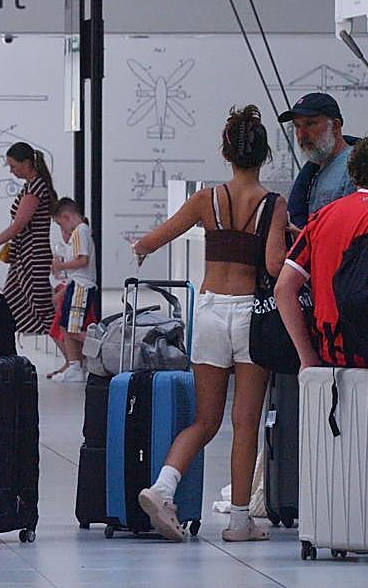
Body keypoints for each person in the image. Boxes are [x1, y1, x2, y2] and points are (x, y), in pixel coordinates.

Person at [132, 106, 287, 543]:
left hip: (211, 312)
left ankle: (163, 488)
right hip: (250, 318)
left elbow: (154, 238)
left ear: (226, 153)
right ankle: (240, 521)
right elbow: (275, 264)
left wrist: (141, 246)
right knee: (246, 422)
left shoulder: (207, 200)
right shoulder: (272, 204)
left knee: (205, 419)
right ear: (264, 155)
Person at [277, 134, 368, 370]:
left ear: (353, 173)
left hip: (332, 357)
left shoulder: (321, 218)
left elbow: (283, 289)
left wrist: (306, 356)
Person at [0, 142, 56, 335]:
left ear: (26, 164)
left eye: (13, 166)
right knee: (12, 303)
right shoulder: (32, 187)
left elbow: (17, 226)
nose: (11, 171)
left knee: (43, 310)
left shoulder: (34, 189)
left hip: (32, 258)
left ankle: (74, 358)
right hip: (25, 257)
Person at [280, 93, 356, 228]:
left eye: (310, 124)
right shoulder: (316, 170)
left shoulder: (353, 167)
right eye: (297, 126)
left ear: (335, 126)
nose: (301, 134)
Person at [47, 197, 99, 384]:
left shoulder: (79, 232)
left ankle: (101, 351)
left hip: (81, 287)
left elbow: (82, 260)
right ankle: (74, 364)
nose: (63, 231)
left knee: (74, 329)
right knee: (65, 326)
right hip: (76, 285)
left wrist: (61, 266)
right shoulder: (81, 232)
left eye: (61, 225)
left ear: (67, 217)